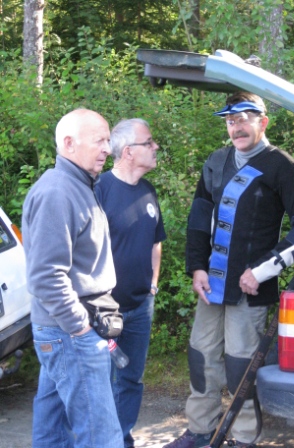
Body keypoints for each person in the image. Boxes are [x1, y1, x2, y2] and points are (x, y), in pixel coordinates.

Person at [163, 92, 294, 448]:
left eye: (244, 119)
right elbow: (199, 219)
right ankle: (200, 430)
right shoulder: (215, 161)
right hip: (211, 285)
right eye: (230, 121)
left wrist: (262, 271)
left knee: (240, 365)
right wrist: (197, 267)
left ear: (263, 122)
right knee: (201, 357)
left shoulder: (284, 167)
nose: (236, 127)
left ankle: (244, 438)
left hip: (251, 288)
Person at [22, 109, 124, 448]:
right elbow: (45, 275)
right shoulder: (58, 192)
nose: (107, 148)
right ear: (68, 143)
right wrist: (80, 327)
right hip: (70, 331)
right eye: (99, 140)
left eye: (108, 140)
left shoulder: (80, 185)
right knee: (101, 437)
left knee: (52, 431)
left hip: (64, 331)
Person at [95, 118, 166, 448]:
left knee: (131, 379)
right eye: (149, 142)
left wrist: (153, 285)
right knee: (100, 380)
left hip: (140, 306)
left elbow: (156, 241)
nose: (155, 147)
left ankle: (121, 439)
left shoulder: (148, 191)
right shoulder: (100, 190)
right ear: (127, 152)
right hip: (104, 312)